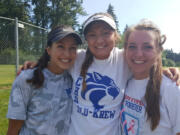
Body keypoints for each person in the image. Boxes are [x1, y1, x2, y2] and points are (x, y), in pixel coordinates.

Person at [19, 13, 180, 135]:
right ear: (86, 39)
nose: (99, 40)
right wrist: (36, 64)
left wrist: (165, 70)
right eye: (92, 35)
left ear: (116, 36)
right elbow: (58, 59)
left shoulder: (124, 58)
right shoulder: (77, 58)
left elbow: (144, 57)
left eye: (105, 33)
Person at [6, 25, 82, 135]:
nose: (67, 54)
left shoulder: (73, 77)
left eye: (72, 48)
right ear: (49, 50)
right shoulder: (27, 78)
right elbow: (13, 128)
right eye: (60, 46)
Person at [120, 20, 180, 135]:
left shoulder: (171, 88)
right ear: (125, 50)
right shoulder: (125, 80)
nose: (139, 54)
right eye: (132, 46)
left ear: (158, 51)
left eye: (147, 47)